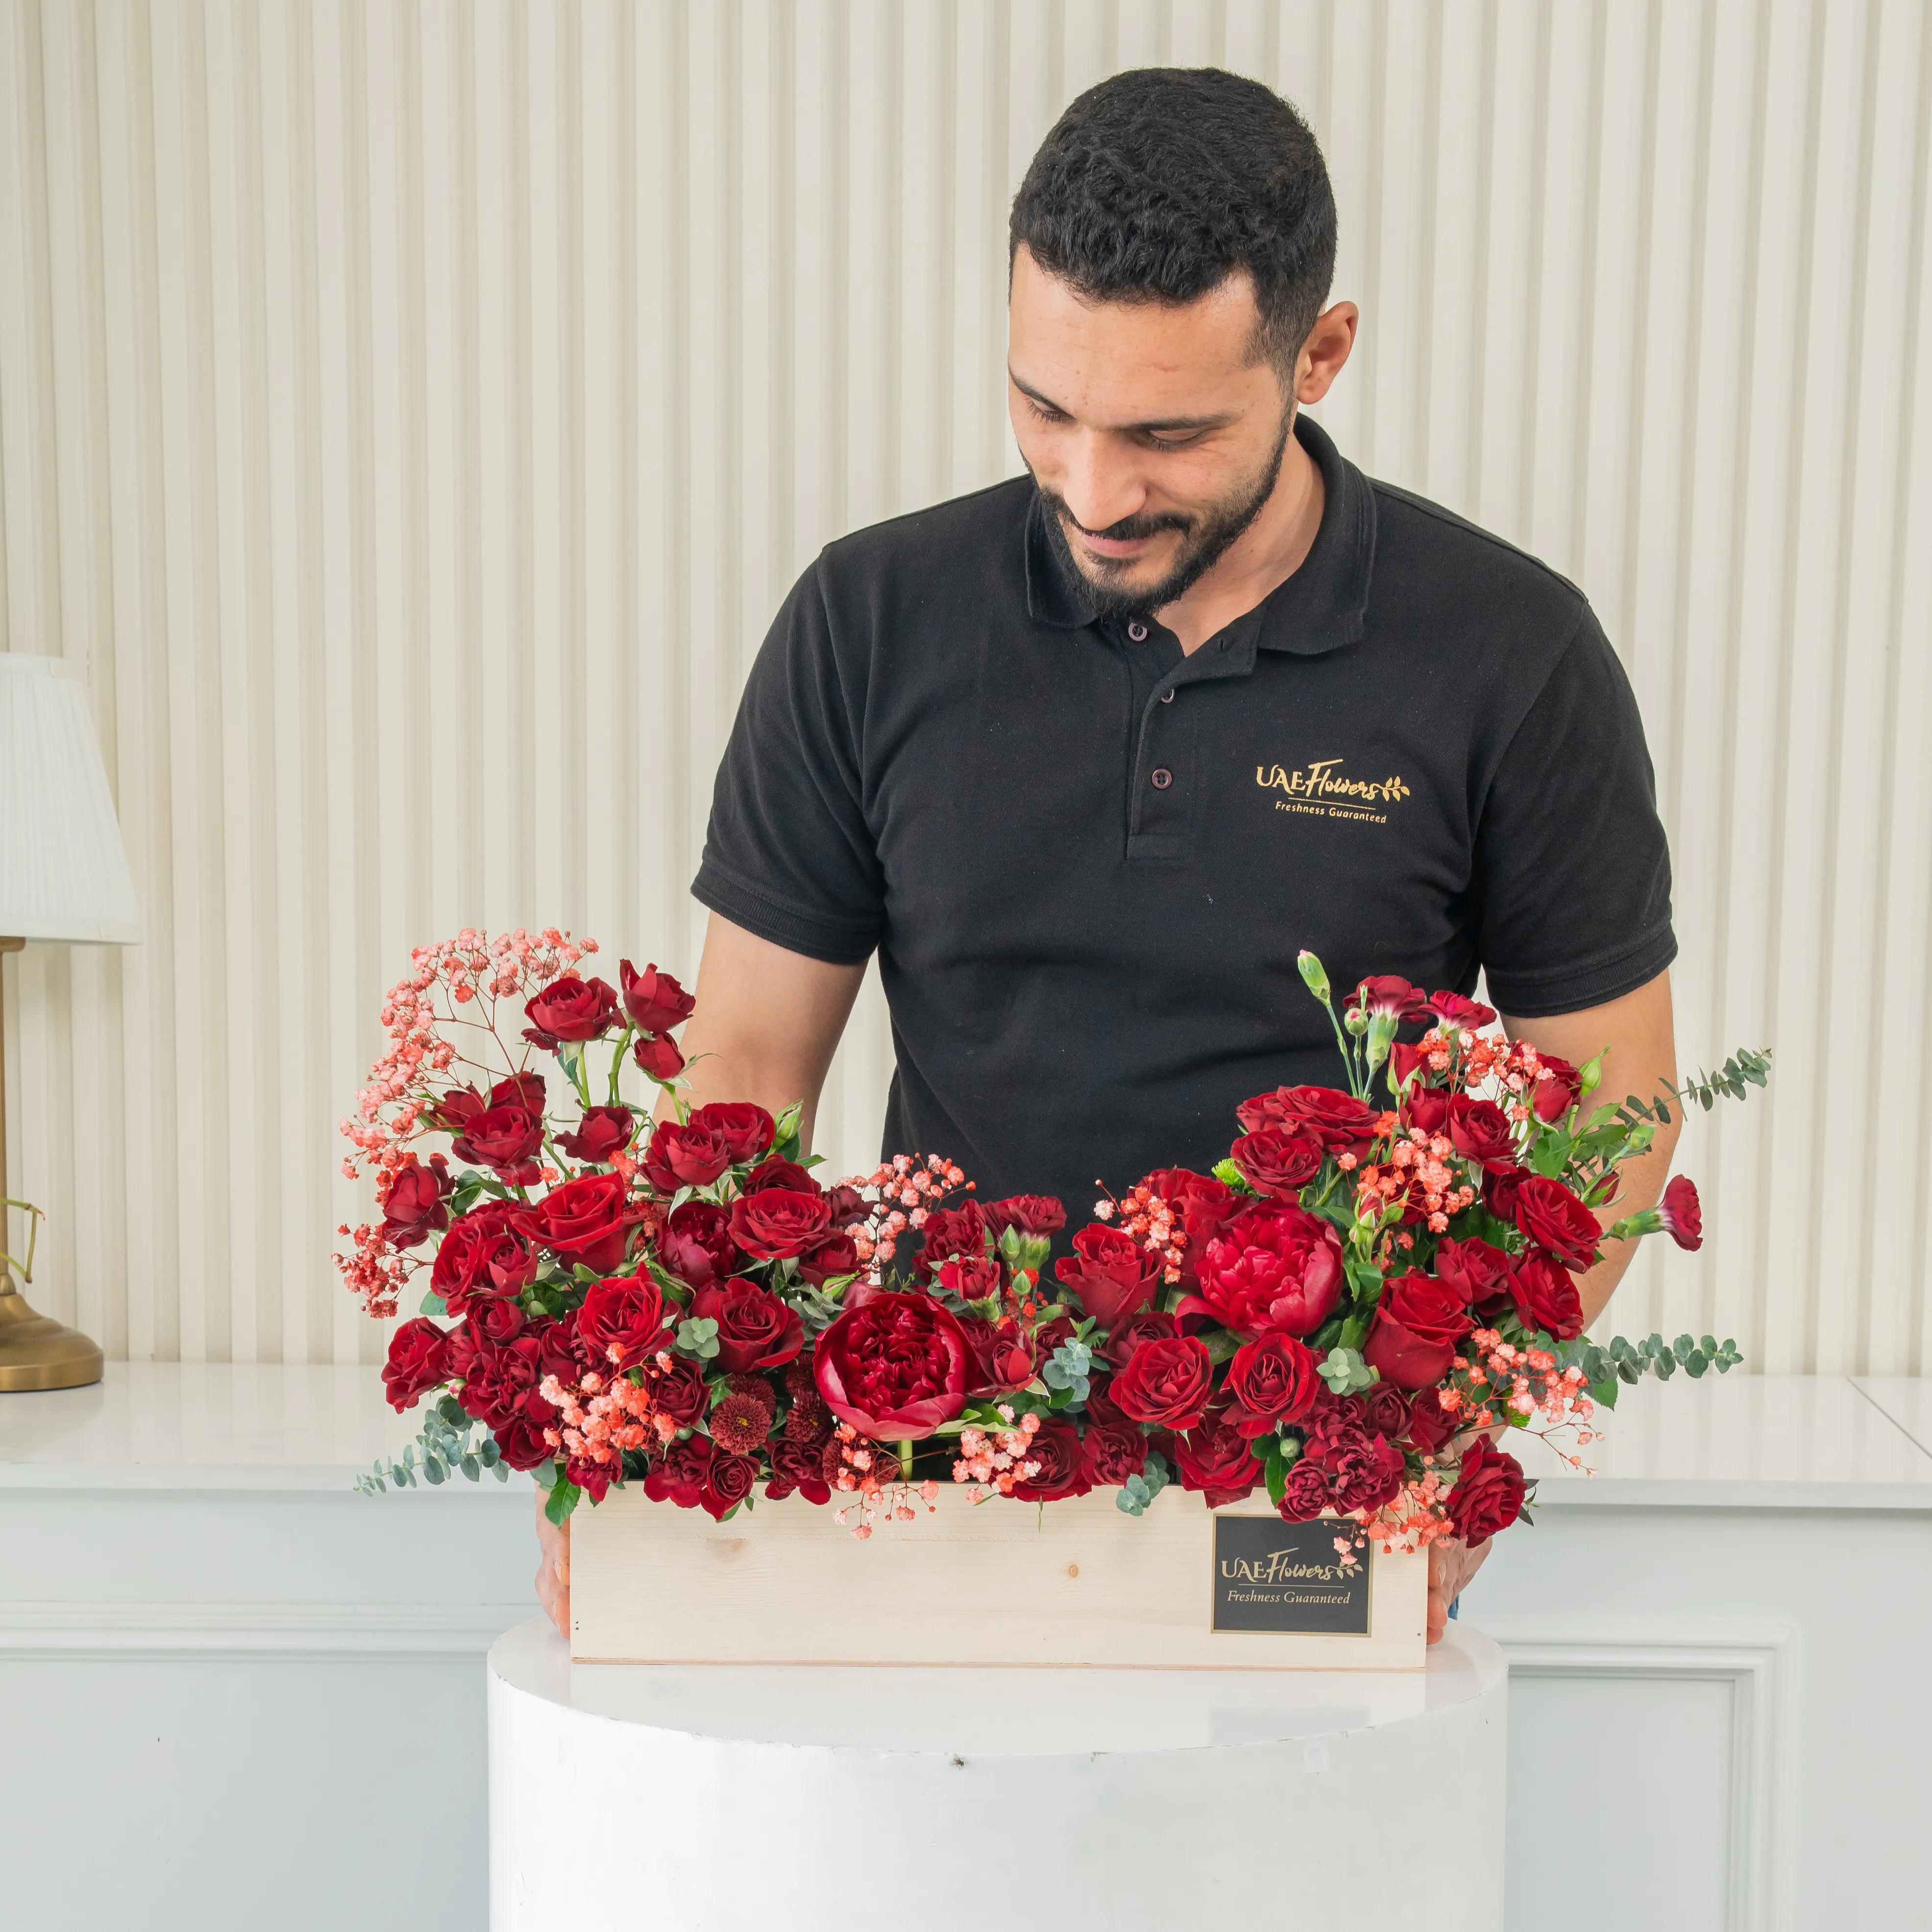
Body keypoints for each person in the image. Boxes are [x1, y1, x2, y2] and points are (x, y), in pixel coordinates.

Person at [537, 67, 1681, 1641]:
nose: (1093, 490)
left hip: (1300, 1486)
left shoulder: (1510, 652)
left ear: (1321, 355)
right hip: (933, 1452)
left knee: (1280, 1868)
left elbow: (1614, 1104)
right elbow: (742, 1062)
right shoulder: (870, 621)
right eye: (1044, 408)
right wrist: (651, 1431)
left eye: (1167, 434)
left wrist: (1446, 1433)